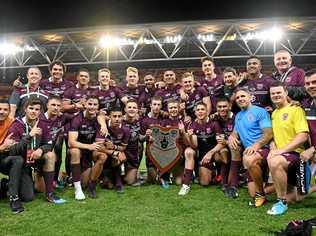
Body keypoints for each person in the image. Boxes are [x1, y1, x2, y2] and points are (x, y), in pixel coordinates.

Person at [8, 98, 66, 205]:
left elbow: (49, 144)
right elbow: (13, 151)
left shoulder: (42, 123)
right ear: (25, 109)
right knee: (28, 197)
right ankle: (7, 184)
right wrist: (30, 135)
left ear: (40, 112)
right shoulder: (16, 125)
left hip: (35, 159)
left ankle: (50, 194)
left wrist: (40, 149)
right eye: (31, 108)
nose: (34, 111)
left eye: (37, 109)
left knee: (50, 155)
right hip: (21, 163)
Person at [267, 81, 309, 215]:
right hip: (283, 155)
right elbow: (274, 136)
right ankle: (285, 198)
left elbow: (303, 136)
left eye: (279, 92)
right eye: (273, 93)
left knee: (275, 161)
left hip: (297, 155)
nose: (276, 95)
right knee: (295, 197)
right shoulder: (274, 113)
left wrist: (281, 151)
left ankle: (282, 201)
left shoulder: (296, 109)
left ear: (286, 93)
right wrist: (273, 148)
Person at [228, 88, 273, 207]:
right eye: (237, 98)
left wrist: (256, 145)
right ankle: (261, 192)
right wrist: (231, 137)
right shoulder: (238, 116)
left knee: (248, 159)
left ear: (249, 97)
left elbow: (268, 133)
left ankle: (286, 184)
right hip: (250, 152)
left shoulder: (260, 112)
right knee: (252, 193)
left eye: (243, 96)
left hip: (265, 149)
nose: (240, 99)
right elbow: (235, 133)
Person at [178, 103, 225, 195]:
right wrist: (188, 135)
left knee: (223, 153)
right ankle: (186, 185)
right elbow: (194, 146)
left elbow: (221, 143)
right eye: (198, 110)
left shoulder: (214, 123)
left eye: (202, 109)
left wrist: (210, 153)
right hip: (201, 156)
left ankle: (222, 175)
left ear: (207, 111)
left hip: (214, 153)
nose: (200, 111)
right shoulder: (193, 125)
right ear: (195, 112)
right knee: (204, 182)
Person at [68, 96, 107, 199]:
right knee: (74, 151)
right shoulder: (77, 119)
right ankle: (77, 188)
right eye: (90, 104)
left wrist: (103, 125)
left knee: (103, 156)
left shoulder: (100, 119)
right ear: (85, 105)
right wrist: (88, 146)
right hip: (81, 150)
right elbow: (71, 142)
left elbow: (100, 142)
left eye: (95, 105)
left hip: (92, 150)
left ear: (98, 107)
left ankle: (92, 185)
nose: (92, 107)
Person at [0, 99, 27, 213]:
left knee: (18, 160)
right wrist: (1, 147)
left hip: (3, 159)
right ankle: (5, 186)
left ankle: (14, 198)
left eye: (5, 109)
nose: (2, 112)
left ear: (10, 111)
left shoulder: (12, 123)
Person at [140, 96, 164, 183]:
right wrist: (146, 136)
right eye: (154, 104)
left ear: (161, 106)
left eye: (158, 105)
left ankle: (166, 174)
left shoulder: (164, 118)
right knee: (152, 180)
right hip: (151, 153)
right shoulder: (144, 120)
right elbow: (141, 139)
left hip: (163, 151)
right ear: (150, 105)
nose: (156, 107)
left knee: (163, 178)